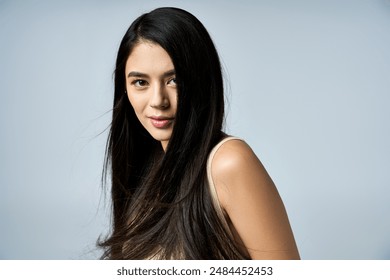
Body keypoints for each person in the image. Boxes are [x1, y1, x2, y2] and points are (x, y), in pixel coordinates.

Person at [99, 7, 300, 260]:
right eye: (141, 82)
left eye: (175, 81)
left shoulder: (229, 163)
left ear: (201, 81)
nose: (158, 101)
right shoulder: (147, 170)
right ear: (124, 89)